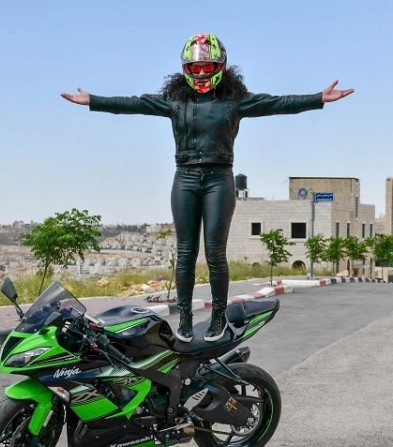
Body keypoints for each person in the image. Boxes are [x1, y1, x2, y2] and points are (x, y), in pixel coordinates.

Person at [61, 33, 353, 343]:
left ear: (221, 67)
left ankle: (218, 317)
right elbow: (134, 104)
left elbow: (277, 103)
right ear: (185, 68)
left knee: (215, 253)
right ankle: (185, 319)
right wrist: (93, 100)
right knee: (185, 253)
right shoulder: (175, 101)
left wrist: (318, 98)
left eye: (208, 66)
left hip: (219, 178)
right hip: (185, 178)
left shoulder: (234, 101)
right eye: (195, 67)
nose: (201, 73)